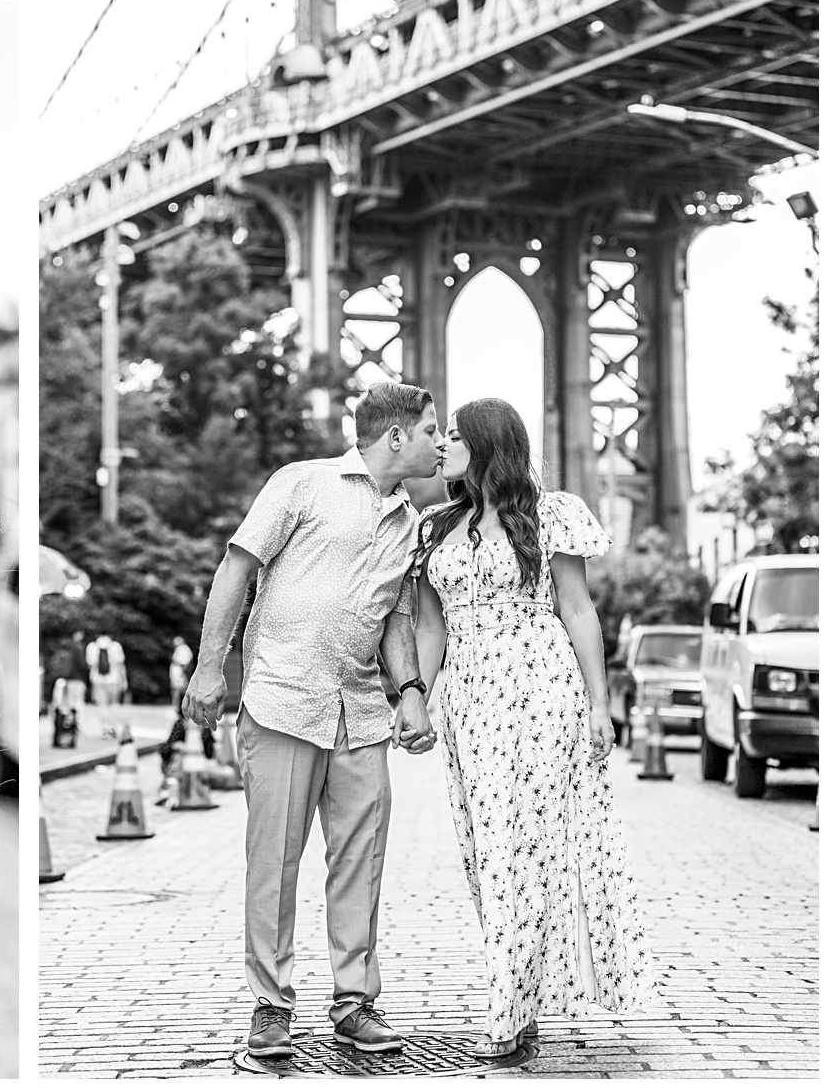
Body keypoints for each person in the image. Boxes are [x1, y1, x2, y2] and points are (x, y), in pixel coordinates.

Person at [183, 380, 444, 1059]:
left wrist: (411, 691)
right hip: (281, 699)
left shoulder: (411, 524)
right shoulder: (301, 484)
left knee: (361, 860)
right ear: (395, 436)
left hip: (360, 712)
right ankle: (271, 1003)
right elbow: (237, 568)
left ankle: (355, 1000)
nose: (441, 442)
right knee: (274, 858)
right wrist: (212, 666)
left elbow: (396, 617)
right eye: (431, 430)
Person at [411, 398, 650, 1057]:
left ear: (488, 446)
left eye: (455, 436)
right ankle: (521, 996)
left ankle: (507, 1016)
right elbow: (433, 627)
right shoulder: (437, 528)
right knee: (487, 852)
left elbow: (577, 609)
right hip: (468, 704)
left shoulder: (550, 516)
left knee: (527, 847)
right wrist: (416, 701)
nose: (443, 447)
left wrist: (601, 705)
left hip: (540, 691)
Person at [84, 632, 126, 736]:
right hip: (114, 679)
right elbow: (120, 665)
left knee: (101, 705)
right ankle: (112, 726)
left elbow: (90, 665)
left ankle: (104, 728)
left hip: (97, 680)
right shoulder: (116, 646)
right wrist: (124, 680)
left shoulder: (91, 647)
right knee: (113, 704)